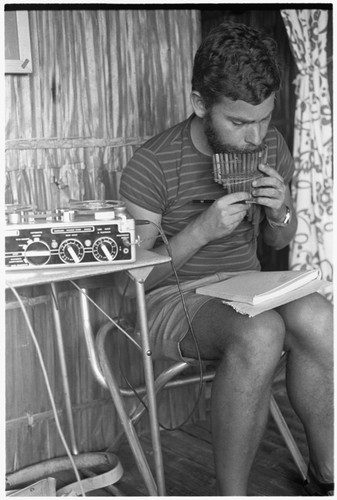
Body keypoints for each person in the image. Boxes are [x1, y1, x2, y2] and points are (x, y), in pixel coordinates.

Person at [119, 22, 333, 496]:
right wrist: (201, 231)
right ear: (199, 104)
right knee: (260, 333)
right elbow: (132, 278)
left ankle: (327, 473)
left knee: (320, 314)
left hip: (247, 286)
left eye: (264, 117)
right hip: (171, 300)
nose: (255, 136)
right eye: (238, 123)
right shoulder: (152, 164)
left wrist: (280, 211)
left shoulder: (269, 146)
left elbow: (282, 239)